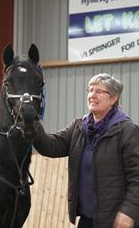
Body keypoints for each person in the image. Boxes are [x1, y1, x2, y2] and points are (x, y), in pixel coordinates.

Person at [33, 73, 139, 228]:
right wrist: (32, 125)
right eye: (90, 90)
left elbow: (137, 178)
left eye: (99, 91)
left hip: (117, 221)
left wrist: (128, 213)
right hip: (87, 219)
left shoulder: (128, 131)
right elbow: (51, 146)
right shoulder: (78, 127)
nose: (92, 95)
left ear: (114, 98)